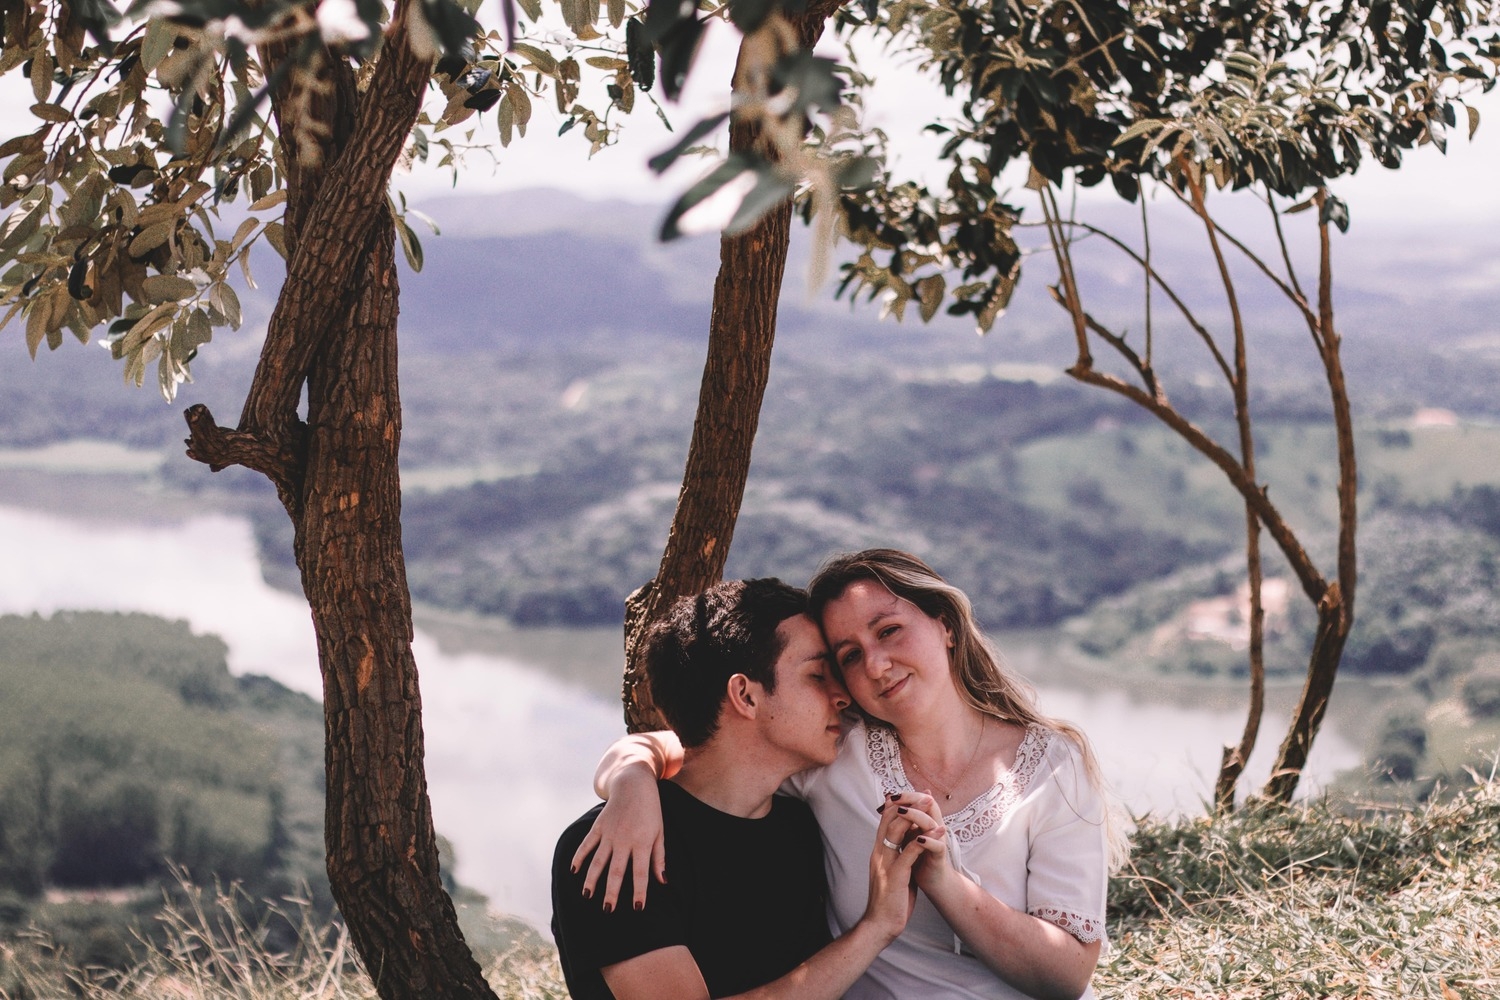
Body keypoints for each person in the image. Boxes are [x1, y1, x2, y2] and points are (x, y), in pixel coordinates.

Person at [574, 550, 1125, 1000]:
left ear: (945, 625)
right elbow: (706, 747)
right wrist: (633, 785)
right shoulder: (837, 754)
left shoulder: (1053, 764)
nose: (875, 666)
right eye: (847, 657)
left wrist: (942, 882)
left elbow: (1067, 976)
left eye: (889, 631)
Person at [551, 577, 938, 1000]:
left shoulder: (800, 822)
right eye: (816, 675)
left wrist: (632, 773)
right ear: (745, 696)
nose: (841, 695)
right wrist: (875, 928)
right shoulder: (617, 848)